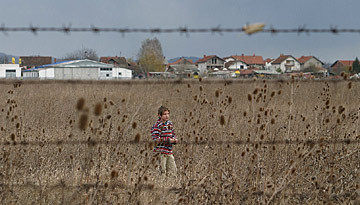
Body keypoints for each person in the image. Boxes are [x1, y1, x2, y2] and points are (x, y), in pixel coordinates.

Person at [151, 106, 178, 177]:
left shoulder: (170, 124)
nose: (167, 116)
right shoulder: (157, 126)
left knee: (173, 172)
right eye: (165, 114)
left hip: (169, 151)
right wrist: (168, 140)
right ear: (159, 115)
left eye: (168, 114)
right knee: (162, 172)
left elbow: (173, 134)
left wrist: (174, 140)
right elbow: (156, 139)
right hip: (161, 152)